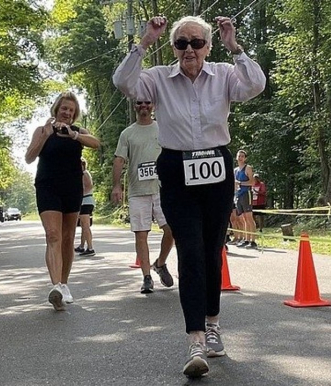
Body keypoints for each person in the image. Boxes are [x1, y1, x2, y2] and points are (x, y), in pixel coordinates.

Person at [113, 15, 266, 377]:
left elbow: (256, 85)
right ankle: (195, 337)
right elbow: (123, 82)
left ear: (208, 47)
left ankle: (212, 323)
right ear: (173, 48)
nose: (189, 50)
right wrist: (144, 42)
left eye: (197, 43)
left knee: (213, 251)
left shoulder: (225, 73)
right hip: (176, 168)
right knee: (191, 251)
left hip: (215, 166)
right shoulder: (158, 79)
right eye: (181, 43)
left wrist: (237, 49)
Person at [25, 91, 100, 311]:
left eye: (71, 110)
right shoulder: (42, 130)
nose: (67, 112)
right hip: (47, 186)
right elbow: (29, 157)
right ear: (56, 109)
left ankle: (64, 284)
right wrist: (45, 135)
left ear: (75, 113)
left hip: (72, 187)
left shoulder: (77, 132)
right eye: (64, 108)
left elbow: (96, 143)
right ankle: (56, 286)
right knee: (53, 235)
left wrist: (74, 135)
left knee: (68, 236)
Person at [111, 100, 175, 294]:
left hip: (162, 189)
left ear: (153, 106)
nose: (143, 106)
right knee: (141, 234)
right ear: (134, 106)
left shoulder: (163, 128)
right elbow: (119, 159)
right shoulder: (128, 133)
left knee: (171, 229)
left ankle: (160, 263)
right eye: (139, 103)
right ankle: (146, 277)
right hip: (137, 191)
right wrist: (116, 186)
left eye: (147, 102)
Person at [233, 150, 257, 249]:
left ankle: (253, 240)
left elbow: (252, 182)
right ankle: (246, 239)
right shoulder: (235, 170)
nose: (240, 158)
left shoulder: (248, 168)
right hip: (238, 194)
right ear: (236, 157)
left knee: (249, 217)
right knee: (243, 219)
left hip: (246, 193)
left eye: (242, 156)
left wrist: (240, 183)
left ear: (245, 158)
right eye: (239, 156)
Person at [74, 158, 96, 257]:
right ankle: (82, 246)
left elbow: (89, 186)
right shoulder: (81, 174)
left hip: (85, 202)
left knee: (86, 225)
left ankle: (90, 248)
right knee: (83, 225)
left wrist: (79, 195)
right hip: (84, 202)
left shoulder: (84, 173)